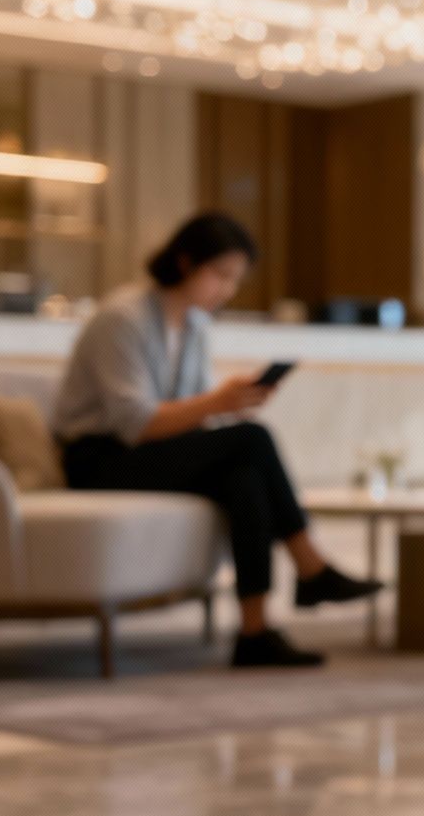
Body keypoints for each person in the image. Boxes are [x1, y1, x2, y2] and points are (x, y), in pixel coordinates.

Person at [53, 213, 381, 668]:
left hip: (148, 453)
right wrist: (216, 403)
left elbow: (190, 413)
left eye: (234, 280)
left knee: (243, 472)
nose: (226, 290)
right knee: (251, 439)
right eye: (220, 275)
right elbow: (136, 423)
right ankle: (310, 565)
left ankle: (255, 631)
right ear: (186, 262)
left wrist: (225, 403)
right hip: (98, 458)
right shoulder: (122, 319)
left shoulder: (195, 326)